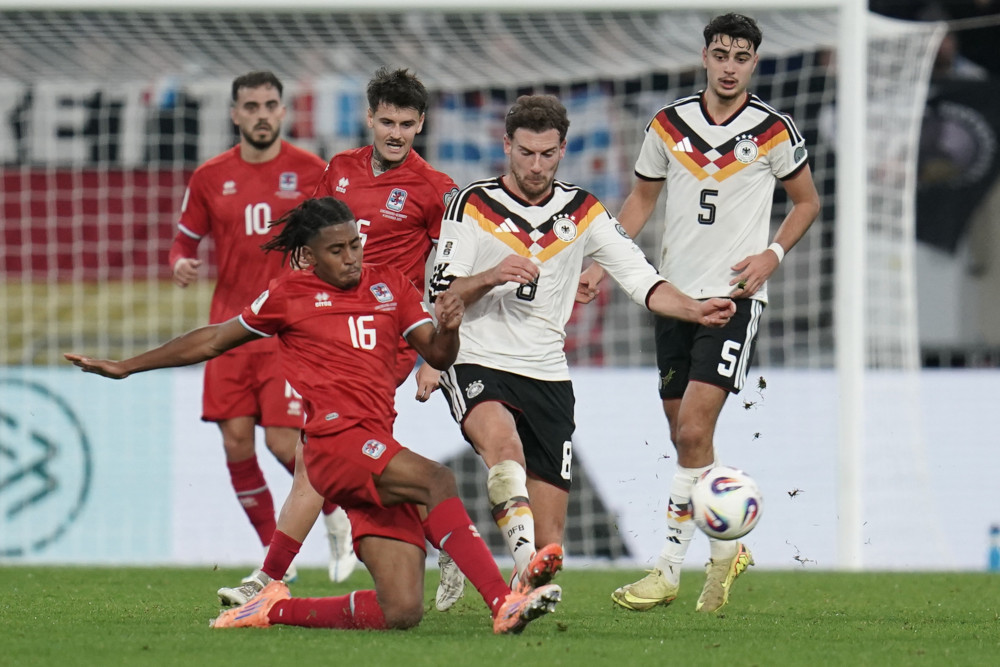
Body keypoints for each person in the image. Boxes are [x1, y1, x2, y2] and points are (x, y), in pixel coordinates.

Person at [66, 197, 562, 634]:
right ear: (308, 254)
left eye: (354, 244)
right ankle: (504, 601)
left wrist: (450, 328)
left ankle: (268, 610)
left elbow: (438, 356)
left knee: (401, 609)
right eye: (336, 249)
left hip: (373, 450)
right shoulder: (288, 295)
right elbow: (214, 338)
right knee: (438, 480)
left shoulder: (389, 284)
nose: (351, 258)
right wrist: (128, 367)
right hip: (334, 444)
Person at [428, 95, 737, 594]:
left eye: (547, 154)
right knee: (504, 448)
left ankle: (520, 575)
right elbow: (444, 293)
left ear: (563, 150)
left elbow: (641, 278)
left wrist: (695, 309)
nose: (535, 165)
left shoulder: (583, 210)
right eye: (525, 152)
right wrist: (491, 274)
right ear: (506, 145)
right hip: (477, 357)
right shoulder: (474, 204)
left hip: (548, 371)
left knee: (553, 549)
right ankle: (523, 562)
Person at [577, 13, 820, 613]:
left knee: (690, 431)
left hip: (733, 300)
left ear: (754, 63)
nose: (729, 65)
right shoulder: (668, 124)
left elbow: (807, 201)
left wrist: (772, 253)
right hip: (672, 297)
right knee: (686, 437)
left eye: (741, 55)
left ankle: (665, 569)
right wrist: (602, 264)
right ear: (705, 57)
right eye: (721, 53)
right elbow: (639, 200)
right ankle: (725, 551)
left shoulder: (773, 131)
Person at [215, 67, 466, 609]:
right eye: (386, 121)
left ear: (421, 124)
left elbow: (446, 274)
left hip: (388, 336)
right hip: (332, 327)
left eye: (406, 123)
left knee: (320, 452)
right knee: (335, 456)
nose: (395, 133)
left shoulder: (435, 190)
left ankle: (267, 580)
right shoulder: (341, 169)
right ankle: (445, 535)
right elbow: (316, 229)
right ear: (369, 118)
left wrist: (433, 359)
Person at [168, 70, 352, 584]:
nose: (262, 115)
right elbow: (185, 240)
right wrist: (181, 261)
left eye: (270, 105)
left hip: (285, 330)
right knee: (234, 443)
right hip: (228, 329)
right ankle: (277, 560)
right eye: (251, 107)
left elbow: (339, 240)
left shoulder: (310, 171)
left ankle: (336, 513)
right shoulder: (209, 176)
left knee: (281, 442)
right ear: (235, 114)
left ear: (284, 112)